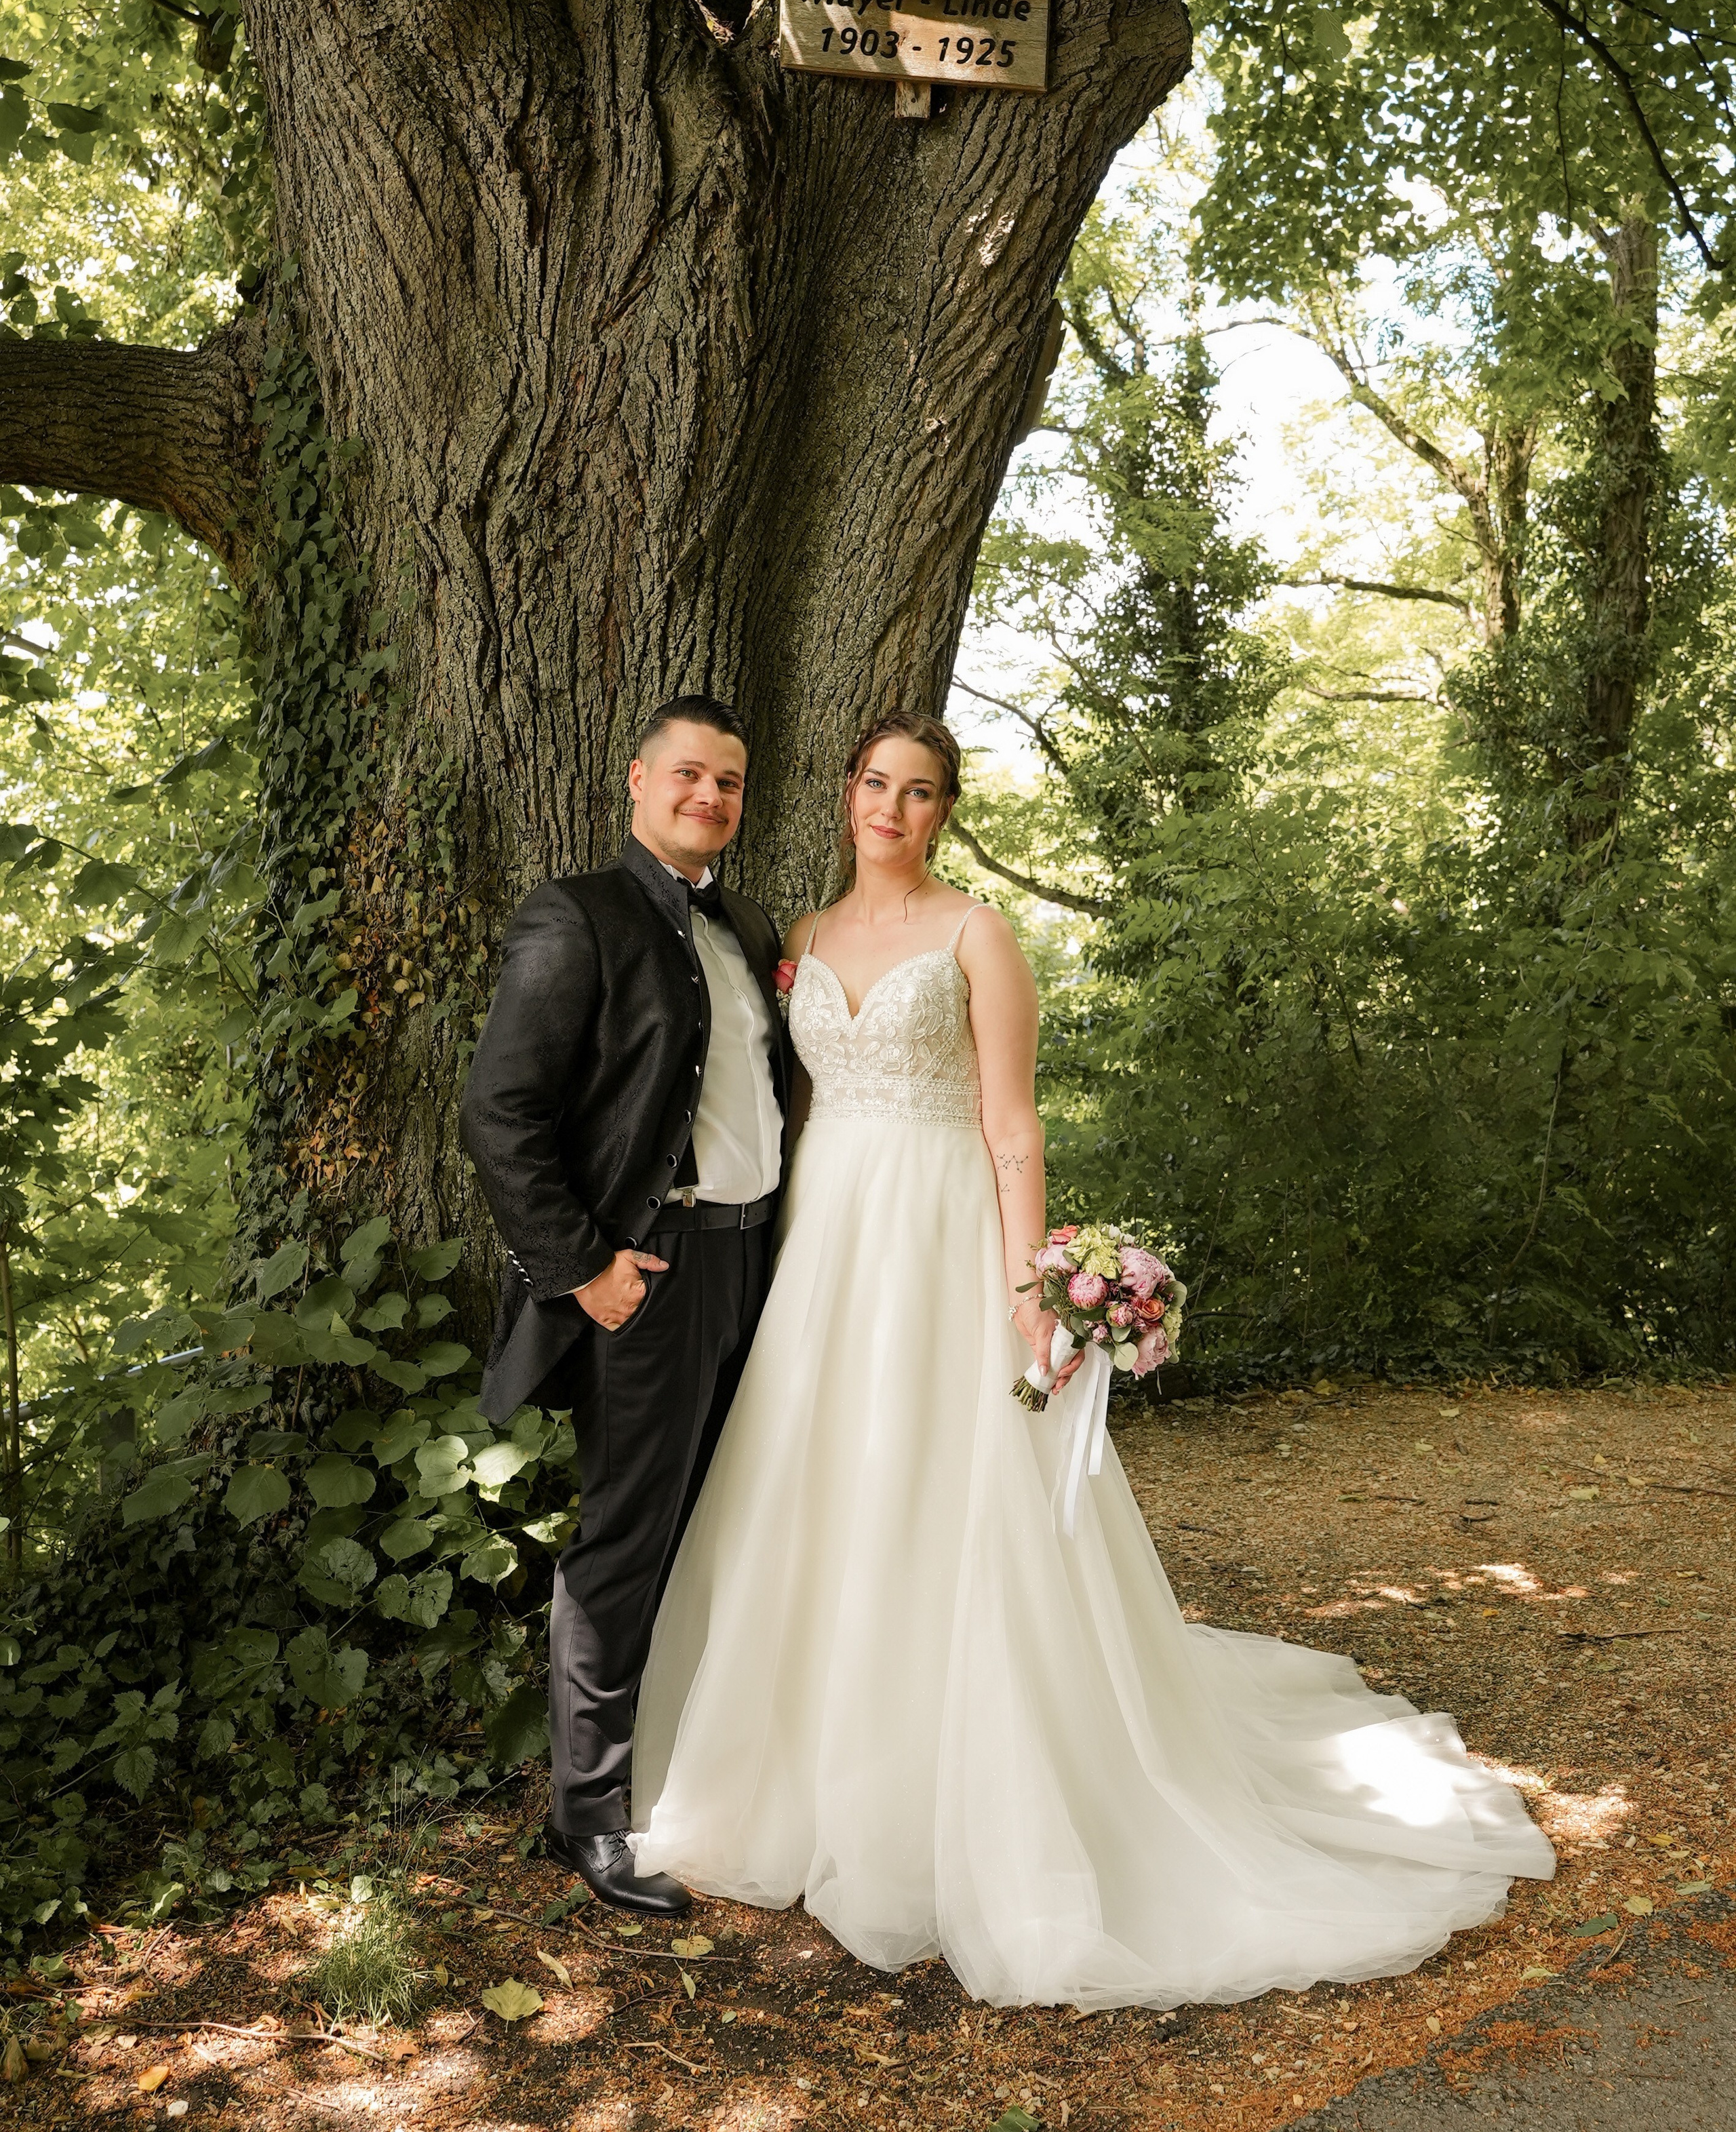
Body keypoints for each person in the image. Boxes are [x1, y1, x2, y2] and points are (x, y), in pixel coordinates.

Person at [631, 709, 1555, 2010]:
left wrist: (1029, 1285)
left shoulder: (975, 936)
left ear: (945, 812)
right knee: (820, 1476)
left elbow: (1012, 1123)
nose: (893, 809)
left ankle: (965, 1784)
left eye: (922, 792)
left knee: (948, 1494)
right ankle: (796, 1763)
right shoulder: (800, 943)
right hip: (828, 1238)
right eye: (876, 785)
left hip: (941, 1234)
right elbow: (789, 1107)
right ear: (846, 797)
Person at [459, 695, 791, 1918]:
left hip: (765, 1266)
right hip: (650, 1278)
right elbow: (500, 1115)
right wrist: (583, 1265)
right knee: (627, 1539)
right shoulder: (577, 915)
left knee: (732, 1523)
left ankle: (698, 1777)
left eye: (731, 782)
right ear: (639, 781)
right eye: (690, 775)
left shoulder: (749, 924)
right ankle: (588, 1818)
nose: (711, 798)